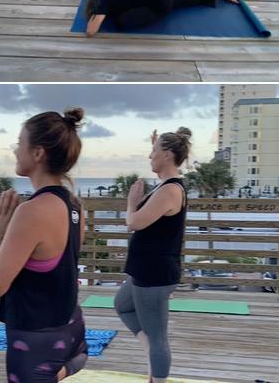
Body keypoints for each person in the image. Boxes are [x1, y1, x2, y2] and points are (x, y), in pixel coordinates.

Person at [0, 109, 88, 383]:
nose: (15, 150)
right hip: (70, 328)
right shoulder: (75, 206)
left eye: (20, 143)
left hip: (36, 341)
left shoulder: (32, 211)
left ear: (38, 153)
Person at [115, 128, 191, 383]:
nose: (150, 156)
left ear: (167, 155)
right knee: (122, 305)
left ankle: (157, 375)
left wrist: (131, 203)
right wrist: (156, 143)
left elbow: (133, 223)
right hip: (144, 271)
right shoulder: (165, 186)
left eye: (154, 151)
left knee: (158, 337)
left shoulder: (170, 191)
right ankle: (150, 349)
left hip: (154, 275)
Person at [83, 0, 238, 37]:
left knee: (121, 21)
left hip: (161, 4)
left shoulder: (106, 2)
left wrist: (95, 14)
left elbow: (91, 32)